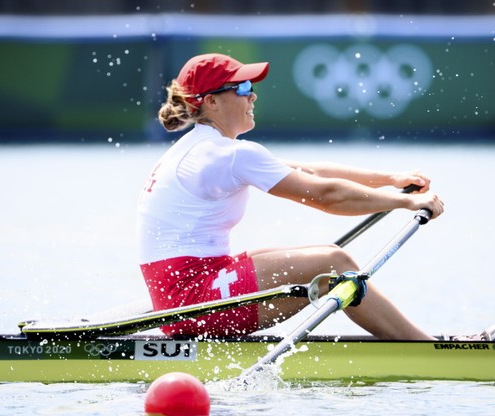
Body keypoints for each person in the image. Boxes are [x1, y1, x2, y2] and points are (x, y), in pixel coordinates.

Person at [136, 53, 487, 341]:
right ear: (211, 101)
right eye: (242, 87)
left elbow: (313, 172)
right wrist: (405, 202)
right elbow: (326, 197)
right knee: (332, 262)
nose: (252, 95)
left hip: (183, 294)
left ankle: (416, 341)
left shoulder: (203, 149)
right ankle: (424, 348)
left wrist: (390, 180)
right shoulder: (225, 155)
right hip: (193, 301)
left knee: (303, 255)